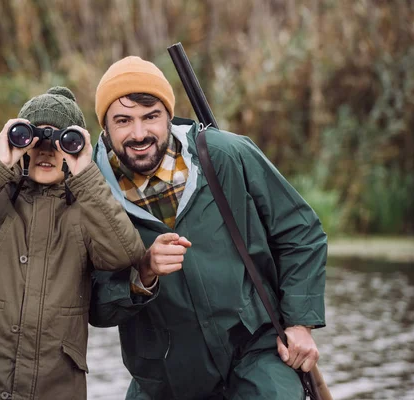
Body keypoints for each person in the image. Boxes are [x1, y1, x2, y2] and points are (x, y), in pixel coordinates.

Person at [89, 56, 328, 399]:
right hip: (165, 379)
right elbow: (93, 305)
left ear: (168, 117)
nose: (139, 133)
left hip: (257, 352)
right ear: (105, 127)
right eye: (123, 120)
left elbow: (300, 233)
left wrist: (300, 324)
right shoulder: (91, 193)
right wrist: (143, 273)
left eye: (151, 117)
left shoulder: (226, 154)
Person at [0, 86, 146, 400]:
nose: (46, 151)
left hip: (53, 386)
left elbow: (124, 254)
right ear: (19, 140)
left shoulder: (86, 207)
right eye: (34, 140)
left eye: (61, 143)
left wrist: (85, 171)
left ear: (75, 147)